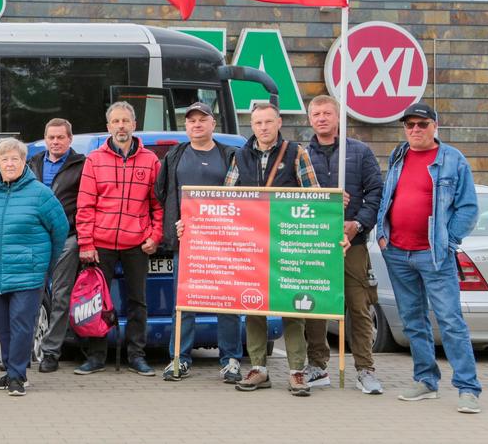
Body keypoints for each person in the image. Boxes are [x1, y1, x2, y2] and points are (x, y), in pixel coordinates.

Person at [376, 103, 482, 414]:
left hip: (434, 255)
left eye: (422, 124)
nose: (415, 130)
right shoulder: (398, 155)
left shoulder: (452, 159)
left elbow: (468, 208)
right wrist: (381, 234)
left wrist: (448, 241)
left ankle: (468, 388)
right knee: (413, 321)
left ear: (435, 126)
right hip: (397, 252)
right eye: (409, 125)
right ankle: (425, 380)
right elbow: (389, 197)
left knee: (450, 321)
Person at [224, 102, 318, 396]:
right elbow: (226, 199)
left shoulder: (297, 153)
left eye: (268, 122)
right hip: (252, 243)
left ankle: (296, 371)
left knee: (292, 307)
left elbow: (314, 197)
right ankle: (258, 369)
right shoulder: (240, 156)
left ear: (279, 123)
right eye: (257, 123)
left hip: (288, 242)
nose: (263, 128)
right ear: (251, 126)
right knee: (253, 306)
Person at [74, 102, 163, 378]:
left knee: (138, 301)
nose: (121, 126)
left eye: (125, 121)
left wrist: (155, 236)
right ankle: (96, 356)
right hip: (101, 243)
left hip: (137, 243)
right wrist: (86, 243)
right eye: (116, 121)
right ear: (108, 126)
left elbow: (158, 205)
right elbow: (85, 205)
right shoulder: (94, 160)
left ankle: (137, 356)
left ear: (134, 125)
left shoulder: (151, 160)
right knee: (97, 301)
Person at [302, 95, 384, 393]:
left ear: (338, 117)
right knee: (314, 306)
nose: (322, 118)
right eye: (316, 114)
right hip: (315, 244)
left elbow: (375, 192)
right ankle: (317, 366)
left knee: (358, 306)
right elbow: (291, 195)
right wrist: (324, 199)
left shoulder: (359, 152)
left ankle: (365, 369)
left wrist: (357, 224)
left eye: (327, 113)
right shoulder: (301, 155)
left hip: (353, 244)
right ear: (309, 119)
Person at [153, 102, 239, 382]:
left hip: (225, 243)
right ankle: (179, 358)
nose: (197, 124)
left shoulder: (230, 155)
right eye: (191, 120)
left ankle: (230, 359)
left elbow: (243, 197)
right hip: (188, 243)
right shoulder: (175, 155)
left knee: (227, 302)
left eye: (203, 119)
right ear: (186, 126)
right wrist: (174, 221)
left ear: (213, 124)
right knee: (184, 302)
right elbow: (162, 192)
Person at [0, 138, 69, 396]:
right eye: (4, 159)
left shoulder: (40, 193)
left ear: (24, 162)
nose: (9, 163)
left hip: (29, 273)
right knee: (2, 326)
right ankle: (11, 370)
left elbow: (60, 230)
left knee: (21, 325)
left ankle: (17, 376)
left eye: (14, 159)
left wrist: (45, 264)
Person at [30, 118, 86, 373]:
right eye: (51, 137)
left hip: (67, 238)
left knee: (61, 296)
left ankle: (52, 352)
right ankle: (25, 352)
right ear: (45, 139)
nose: (55, 142)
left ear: (69, 139)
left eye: (60, 137)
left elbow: (86, 203)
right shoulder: (33, 163)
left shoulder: (81, 165)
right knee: (31, 294)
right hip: (36, 238)